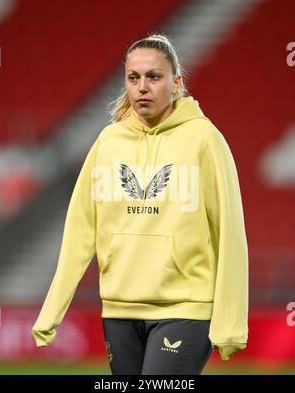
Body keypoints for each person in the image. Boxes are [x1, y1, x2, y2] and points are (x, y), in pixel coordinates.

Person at [31, 33, 249, 375]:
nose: (142, 87)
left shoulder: (204, 140)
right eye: (134, 77)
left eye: (154, 76)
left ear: (175, 83)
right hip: (119, 311)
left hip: (185, 309)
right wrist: (52, 310)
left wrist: (231, 322)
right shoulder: (108, 141)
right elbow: (80, 228)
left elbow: (230, 234)